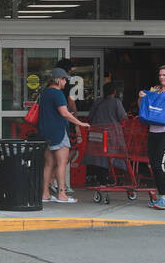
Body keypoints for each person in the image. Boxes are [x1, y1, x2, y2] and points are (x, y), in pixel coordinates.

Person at [39, 68, 90, 203]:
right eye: (64, 79)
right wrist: (81, 123)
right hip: (59, 132)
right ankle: (62, 194)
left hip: (45, 133)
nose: (66, 82)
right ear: (58, 79)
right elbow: (64, 113)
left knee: (49, 164)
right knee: (62, 163)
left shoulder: (44, 93)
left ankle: (45, 194)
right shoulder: (58, 94)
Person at [138, 65, 165, 210]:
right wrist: (141, 98)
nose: (161, 77)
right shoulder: (155, 90)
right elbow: (143, 107)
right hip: (153, 132)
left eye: (164, 75)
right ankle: (160, 197)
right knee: (153, 164)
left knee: (159, 165)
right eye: (160, 75)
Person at [85, 81, 128, 187]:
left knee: (100, 155)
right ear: (114, 92)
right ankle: (106, 178)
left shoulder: (97, 102)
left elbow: (90, 117)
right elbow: (123, 117)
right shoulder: (116, 102)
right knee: (110, 155)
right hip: (111, 134)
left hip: (97, 133)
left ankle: (102, 178)